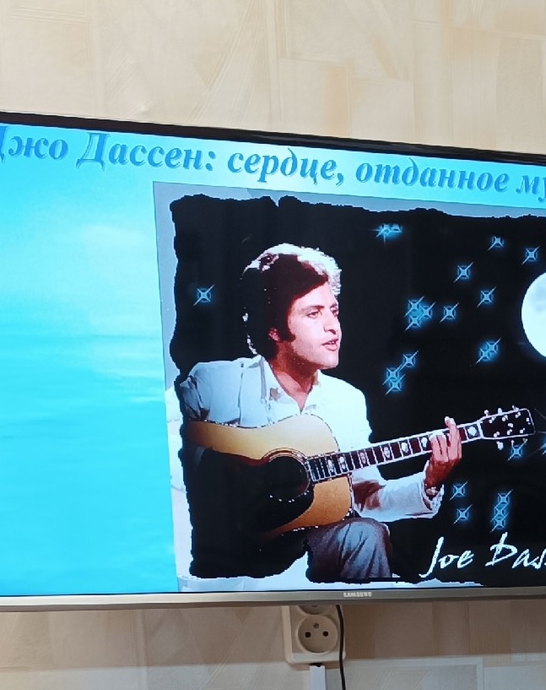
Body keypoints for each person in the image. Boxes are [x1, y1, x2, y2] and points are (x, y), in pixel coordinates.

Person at [175, 243, 463, 583]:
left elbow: (365, 496)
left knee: (366, 533)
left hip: (300, 551)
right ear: (273, 327)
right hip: (222, 551)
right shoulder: (214, 383)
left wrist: (429, 481)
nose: (333, 327)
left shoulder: (347, 400)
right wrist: (235, 475)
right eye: (313, 314)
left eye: (333, 311)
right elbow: (159, 449)